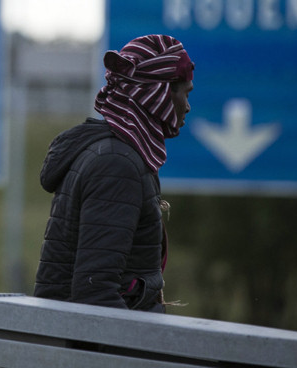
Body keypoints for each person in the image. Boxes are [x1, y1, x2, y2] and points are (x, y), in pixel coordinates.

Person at [33, 34, 194, 313]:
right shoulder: (116, 165)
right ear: (157, 94)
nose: (188, 107)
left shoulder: (117, 155)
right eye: (185, 93)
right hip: (95, 350)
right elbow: (95, 296)